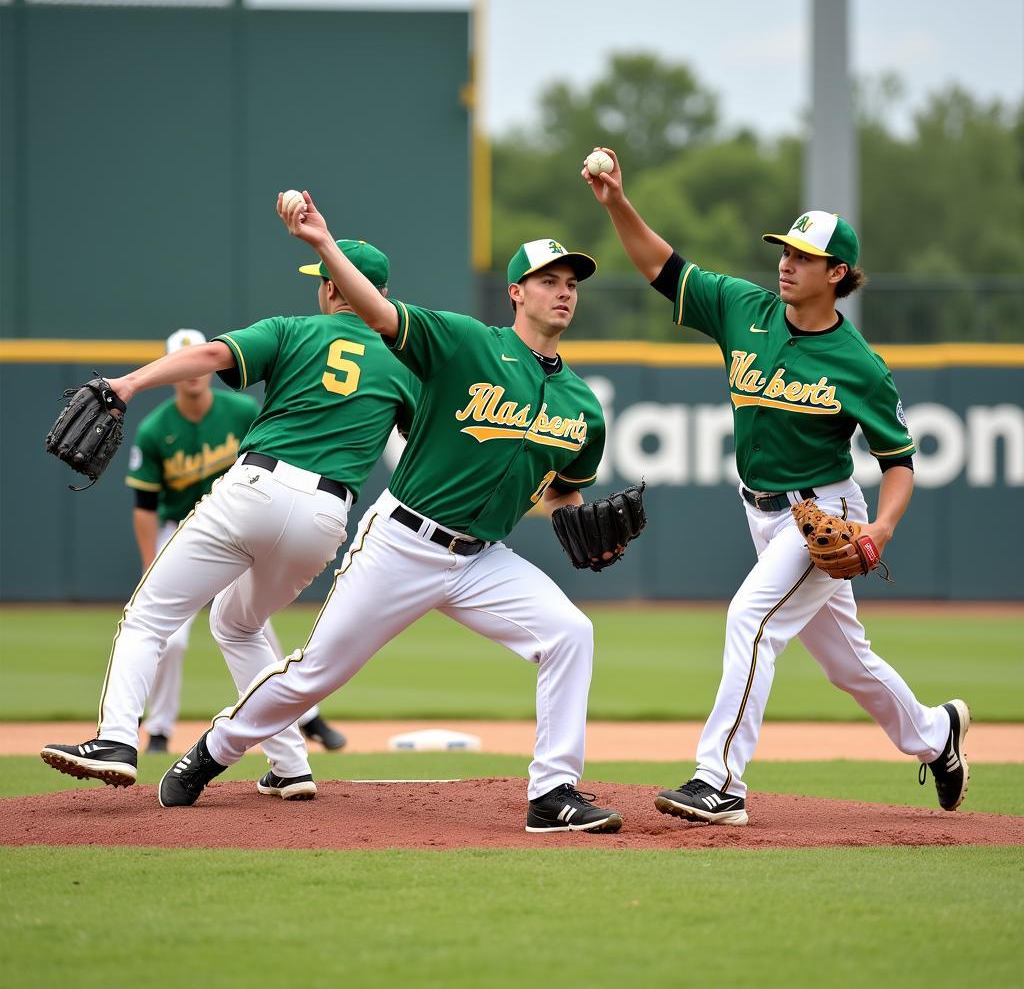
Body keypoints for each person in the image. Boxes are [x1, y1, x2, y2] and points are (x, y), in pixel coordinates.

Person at [157, 189, 625, 834]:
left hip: (482, 558)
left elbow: (562, 493)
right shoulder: (463, 343)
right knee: (315, 674)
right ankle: (212, 751)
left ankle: (552, 794)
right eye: (548, 280)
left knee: (570, 634)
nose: (564, 292)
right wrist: (323, 243)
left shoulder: (582, 404)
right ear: (516, 291)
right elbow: (379, 313)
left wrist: (581, 523)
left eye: (571, 282)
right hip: (402, 542)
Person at [584, 147, 969, 826]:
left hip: (824, 511)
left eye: (803, 256)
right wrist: (617, 202)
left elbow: (901, 461)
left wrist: (879, 530)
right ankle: (938, 735)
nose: (786, 263)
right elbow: (661, 268)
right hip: (759, 511)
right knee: (850, 665)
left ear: (837, 273)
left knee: (750, 619)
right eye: (784, 251)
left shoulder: (858, 365)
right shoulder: (742, 308)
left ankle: (720, 781)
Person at [41, 240, 418, 800]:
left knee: (149, 618)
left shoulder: (294, 329)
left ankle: (117, 740)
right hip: (325, 515)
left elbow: (212, 356)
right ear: (383, 293)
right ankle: (290, 764)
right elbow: (426, 446)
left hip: (257, 489)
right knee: (240, 624)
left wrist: (127, 385)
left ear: (334, 286)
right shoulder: (408, 364)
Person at [127, 328, 347, 754]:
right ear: (174, 367)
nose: (193, 373)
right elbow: (144, 506)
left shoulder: (240, 411)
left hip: (244, 520)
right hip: (184, 526)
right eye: (182, 360)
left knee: (253, 627)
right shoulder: (156, 429)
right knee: (172, 638)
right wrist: (149, 561)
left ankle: (307, 719)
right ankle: (158, 729)